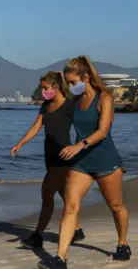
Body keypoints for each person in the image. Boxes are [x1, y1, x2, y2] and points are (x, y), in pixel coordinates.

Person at [38, 56, 131, 269]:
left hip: (105, 161)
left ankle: (123, 243)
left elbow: (103, 130)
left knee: (115, 206)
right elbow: (56, 115)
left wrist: (79, 145)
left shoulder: (104, 98)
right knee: (70, 206)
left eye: (73, 82)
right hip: (81, 164)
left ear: (86, 77)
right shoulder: (76, 102)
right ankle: (60, 258)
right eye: (69, 83)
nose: (72, 87)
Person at [11, 71, 85, 249]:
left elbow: (83, 128)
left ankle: (37, 236)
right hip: (49, 157)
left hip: (63, 158)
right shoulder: (45, 106)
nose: (43, 91)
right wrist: (20, 143)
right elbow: (36, 127)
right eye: (42, 88)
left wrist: (79, 148)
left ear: (56, 87)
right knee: (64, 194)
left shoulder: (69, 106)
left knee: (47, 193)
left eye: (45, 88)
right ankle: (77, 230)